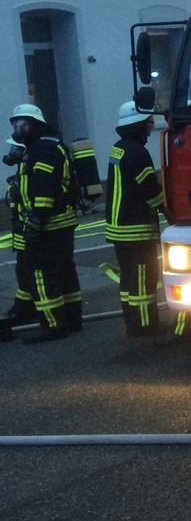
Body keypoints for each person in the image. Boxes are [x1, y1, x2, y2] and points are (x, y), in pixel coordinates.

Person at [9, 103, 81, 343]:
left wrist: (38, 218)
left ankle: (52, 324)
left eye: (23, 124)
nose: (18, 129)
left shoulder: (43, 148)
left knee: (38, 272)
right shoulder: (42, 146)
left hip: (50, 223)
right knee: (63, 271)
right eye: (15, 124)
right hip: (59, 222)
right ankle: (72, 319)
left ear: (35, 125)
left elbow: (45, 185)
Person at [105, 102, 167, 338]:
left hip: (119, 227)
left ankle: (133, 322)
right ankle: (145, 325)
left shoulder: (119, 148)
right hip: (136, 228)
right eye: (149, 122)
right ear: (138, 124)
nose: (151, 126)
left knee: (129, 279)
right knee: (143, 280)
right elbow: (149, 190)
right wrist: (168, 210)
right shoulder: (137, 152)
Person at [0, 137, 34, 343]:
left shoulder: (29, 167)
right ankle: (23, 308)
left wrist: (15, 187)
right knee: (23, 271)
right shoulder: (22, 168)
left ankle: (27, 310)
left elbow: (24, 196)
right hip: (22, 233)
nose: (11, 151)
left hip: (29, 231)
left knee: (29, 270)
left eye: (15, 148)